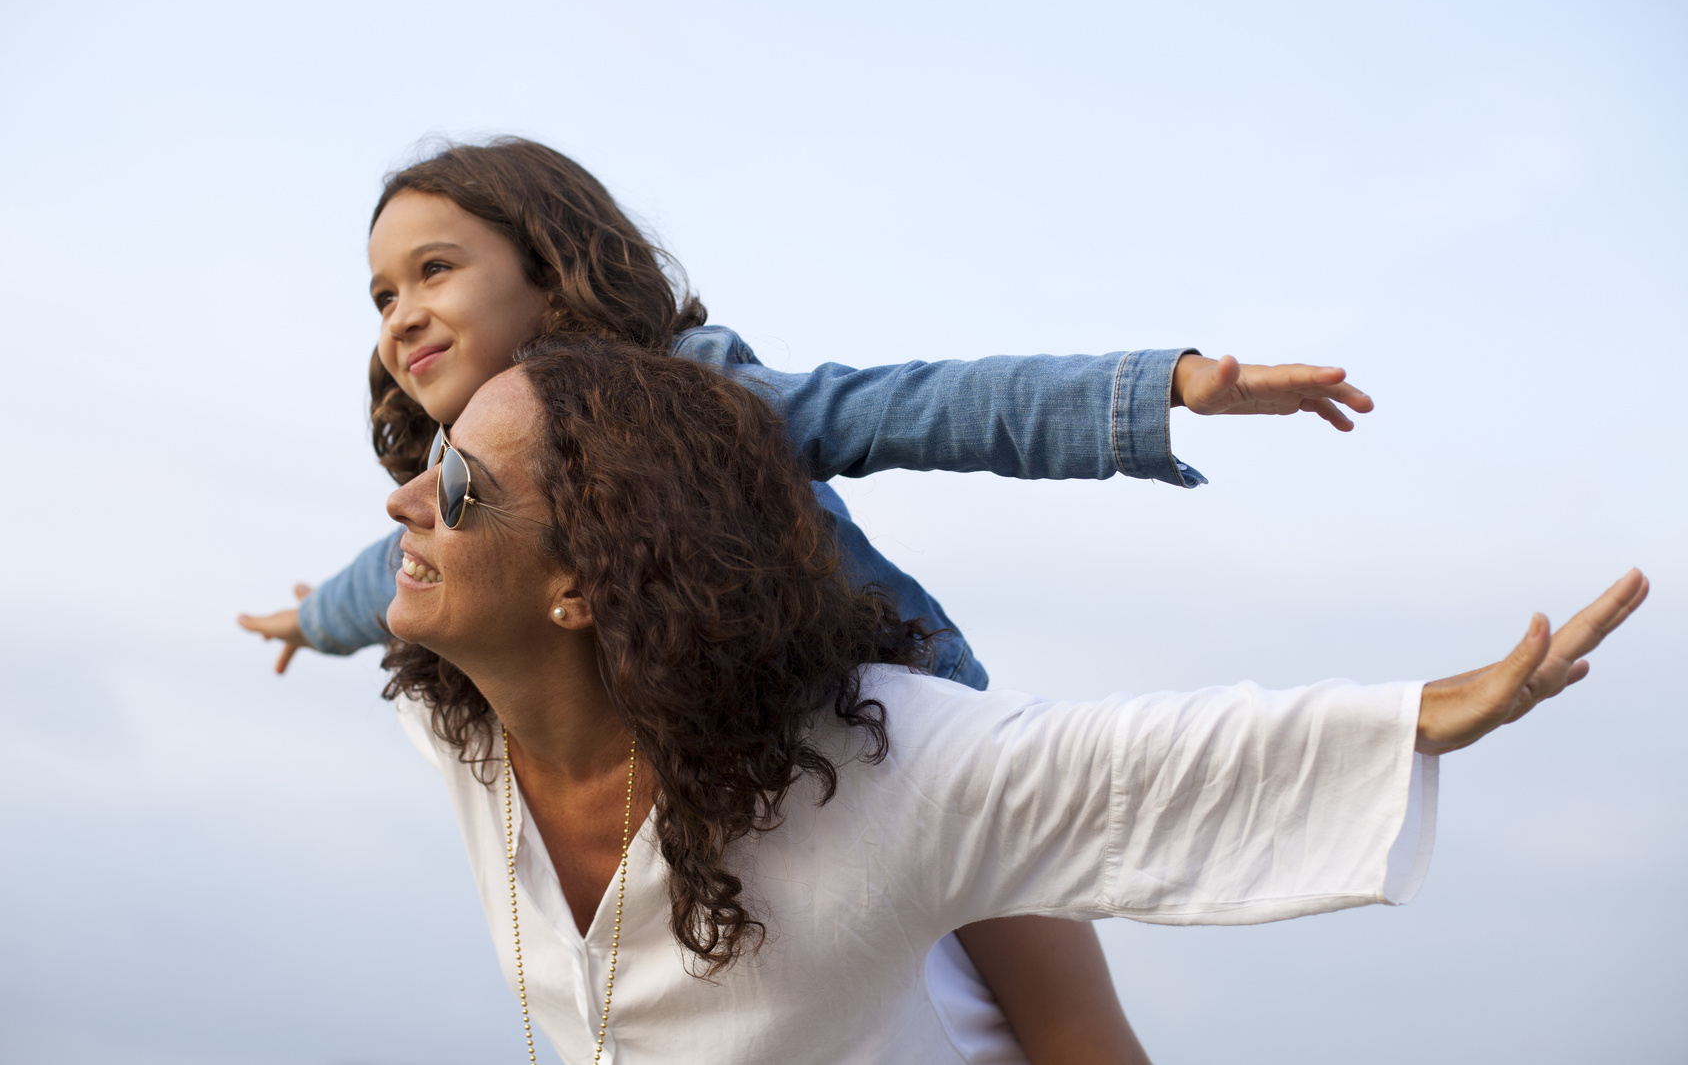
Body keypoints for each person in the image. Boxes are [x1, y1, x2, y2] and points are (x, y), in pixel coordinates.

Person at [238, 137, 1376, 1063]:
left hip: (894, 730)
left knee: (1070, 1028)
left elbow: (918, 407)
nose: (398, 312)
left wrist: (1159, 391)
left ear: (549, 266)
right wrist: (309, 621)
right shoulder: (475, 487)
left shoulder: (703, 397)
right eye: (382, 292)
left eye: (435, 269)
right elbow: (374, 573)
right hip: (732, 772)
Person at [378, 335, 1644, 1065]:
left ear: (584, 585)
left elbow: (1122, 762)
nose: (407, 502)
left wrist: (1415, 713)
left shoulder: (867, 764)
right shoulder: (454, 724)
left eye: (462, 486)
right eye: (431, 463)